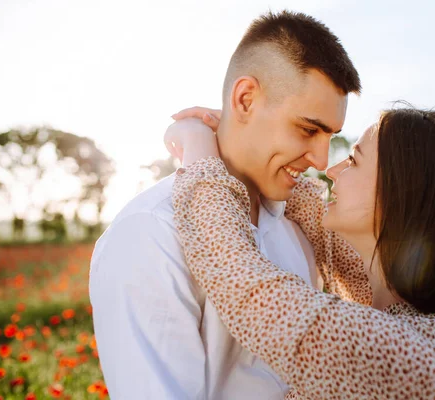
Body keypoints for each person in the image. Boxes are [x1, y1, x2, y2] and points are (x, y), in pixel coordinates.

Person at [89, 10, 361, 399]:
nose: (321, 159)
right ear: (245, 99)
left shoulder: (297, 225)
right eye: (307, 129)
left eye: (330, 135)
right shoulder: (151, 233)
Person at [164, 105, 435, 399]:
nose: (331, 170)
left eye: (353, 160)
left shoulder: (406, 356)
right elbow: (325, 235)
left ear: (401, 195)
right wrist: (252, 144)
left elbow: (243, 283)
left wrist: (199, 149)